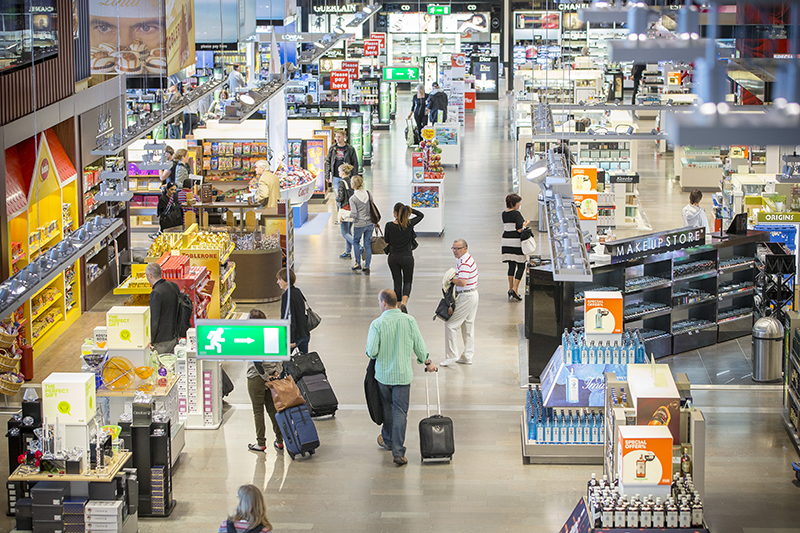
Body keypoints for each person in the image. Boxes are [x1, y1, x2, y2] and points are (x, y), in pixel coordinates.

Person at [366, 289, 436, 466]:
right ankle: (397, 451)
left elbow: (372, 351)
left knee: (388, 409)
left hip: (383, 376)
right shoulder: (409, 320)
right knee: (400, 412)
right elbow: (419, 346)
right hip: (403, 376)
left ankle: (388, 439)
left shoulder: (377, 324)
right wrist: (427, 362)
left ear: (383, 303)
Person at [245, 309, 284, 453]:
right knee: (273, 410)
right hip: (273, 376)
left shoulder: (253, 337)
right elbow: (280, 355)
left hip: (256, 378)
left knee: (258, 410)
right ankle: (280, 441)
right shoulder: (272, 334)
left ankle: (261, 443)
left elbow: (257, 363)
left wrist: (266, 377)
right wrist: (276, 372)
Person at [441, 239, 479, 367]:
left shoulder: (464, 263)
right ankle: (467, 356)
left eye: (458, 248)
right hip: (472, 294)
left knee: (450, 325)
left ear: (465, 248)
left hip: (466, 296)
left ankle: (451, 356)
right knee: (467, 326)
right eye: (453, 248)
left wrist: (450, 279)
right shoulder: (464, 260)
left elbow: (462, 282)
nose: (455, 251)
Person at [384, 203, 424, 313]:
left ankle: (398, 305)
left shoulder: (389, 225)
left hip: (393, 257)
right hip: (407, 257)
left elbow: (386, 240)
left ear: (395, 213)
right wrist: (410, 210)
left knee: (397, 281)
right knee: (408, 281)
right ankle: (404, 304)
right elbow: (421, 215)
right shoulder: (409, 224)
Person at [146, 263, 181, 355]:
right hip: (174, 335)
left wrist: (151, 340)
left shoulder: (156, 293)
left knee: (161, 365)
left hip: (161, 341)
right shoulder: (173, 286)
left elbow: (154, 319)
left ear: (150, 275)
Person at [502, 193, 530, 301]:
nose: (519, 204)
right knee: (521, 265)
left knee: (511, 265)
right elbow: (519, 229)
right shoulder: (517, 214)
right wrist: (526, 223)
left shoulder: (504, 213)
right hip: (515, 242)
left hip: (506, 241)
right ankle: (515, 289)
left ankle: (510, 288)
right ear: (514, 203)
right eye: (518, 202)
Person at [277, 268, 310, 354]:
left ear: (287, 281)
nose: (278, 282)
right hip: (304, 333)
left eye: (280, 279)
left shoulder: (286, 296)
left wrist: (290, 339)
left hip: (295, 336)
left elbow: (289, 319)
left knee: (284, 362)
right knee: (304, 362)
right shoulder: (297, 292)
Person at [349, 175, 376, 275]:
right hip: (370, 223)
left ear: (353, 185)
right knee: (367, 243)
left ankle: (357, 263)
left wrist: (345, 216)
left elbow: (354, 214)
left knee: (356, 242)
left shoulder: (353, 198)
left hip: (359, 224)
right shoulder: (368, 194)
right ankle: (367, 265)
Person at [325, 129, 358, 196]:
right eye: (336, 136)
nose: (337, 138)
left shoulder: (350, 149)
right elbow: (328, 161)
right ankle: (339, 207)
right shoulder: (332, 148)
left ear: (344, 137)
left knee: (347, 194)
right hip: (336, 176)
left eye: (339, 136)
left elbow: (355, 163)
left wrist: (354, 176)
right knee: (337, 196)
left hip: (347, 176)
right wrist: (327, 175)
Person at [336, 163, 355, 259]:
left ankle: (358, 247)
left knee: (344, 233)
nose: (339, 173)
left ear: (343, 172)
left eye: (339, 171)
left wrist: (337, 199)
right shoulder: (351, 181)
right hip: (351, 208)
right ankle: (348, 252)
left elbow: (341, 197)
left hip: (344, 209)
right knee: (348, 232)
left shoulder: (341, 183)